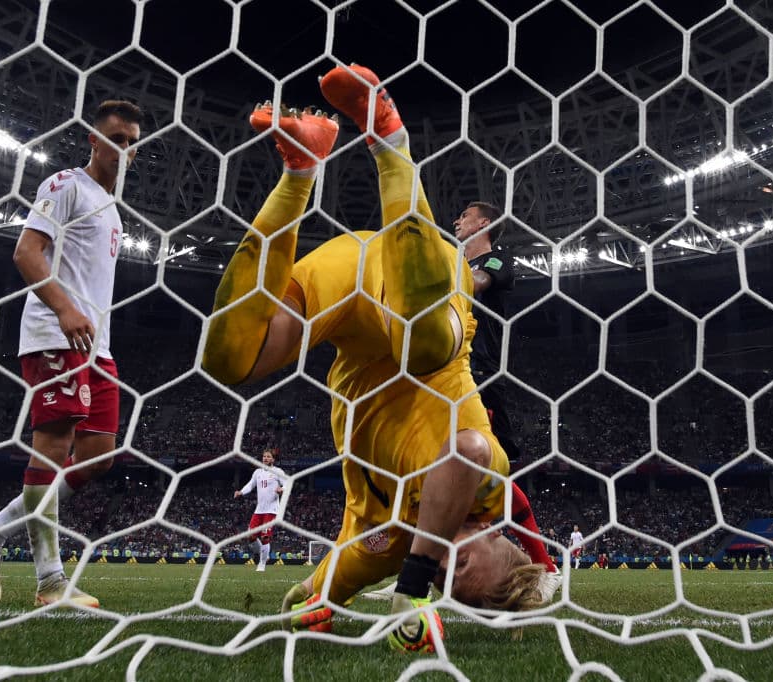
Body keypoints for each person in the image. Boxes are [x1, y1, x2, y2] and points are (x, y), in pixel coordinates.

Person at [201, 64, 551, 654]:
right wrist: (412, 588)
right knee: (424, 348)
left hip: (350, 297)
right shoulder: (489, 487)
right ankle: (389, 140)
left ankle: (300, 170)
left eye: (446, 582)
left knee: (230, 359)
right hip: (419, 282)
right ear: (500, 540)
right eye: (463, 568)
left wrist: (313, 601)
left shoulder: (389, 544)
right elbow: (464, 452)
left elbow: (320, 588)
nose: (446, 567)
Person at [0, 99, 144, 608]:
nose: (122, 149)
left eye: (131, 142)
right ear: (93, 139)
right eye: (115, 138)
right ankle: (49, 582)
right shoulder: (66, 185)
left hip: (96, 345)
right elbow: (26, 251)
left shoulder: (110, 208)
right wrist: (65, 310)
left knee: (99, 456)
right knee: (53, 446)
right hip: (55, 335)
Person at [363, 202, 561, 601]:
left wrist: (427, 284)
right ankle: (412, 571)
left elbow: (475, 283)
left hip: (481, 373)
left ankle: (547, 568)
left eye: (465, 216)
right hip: (441, 370)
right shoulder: (454, 260)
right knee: (430, 470)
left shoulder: (498, 260)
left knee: (488, 470)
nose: (457, 221)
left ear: (484, 223)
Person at [233, 449, 286, 572]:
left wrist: (282, 489)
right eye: (264, 456)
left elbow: (287, 482)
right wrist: (241, 492)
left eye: (268, 457)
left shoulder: (277, 471)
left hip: (272, 510)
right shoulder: (258, 472)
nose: (265, 458)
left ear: (273, 459)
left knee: (265, 537)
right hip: (259, 510)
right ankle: (264, 555)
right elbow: (250, 485)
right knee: (251, 537)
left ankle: (262, 564)